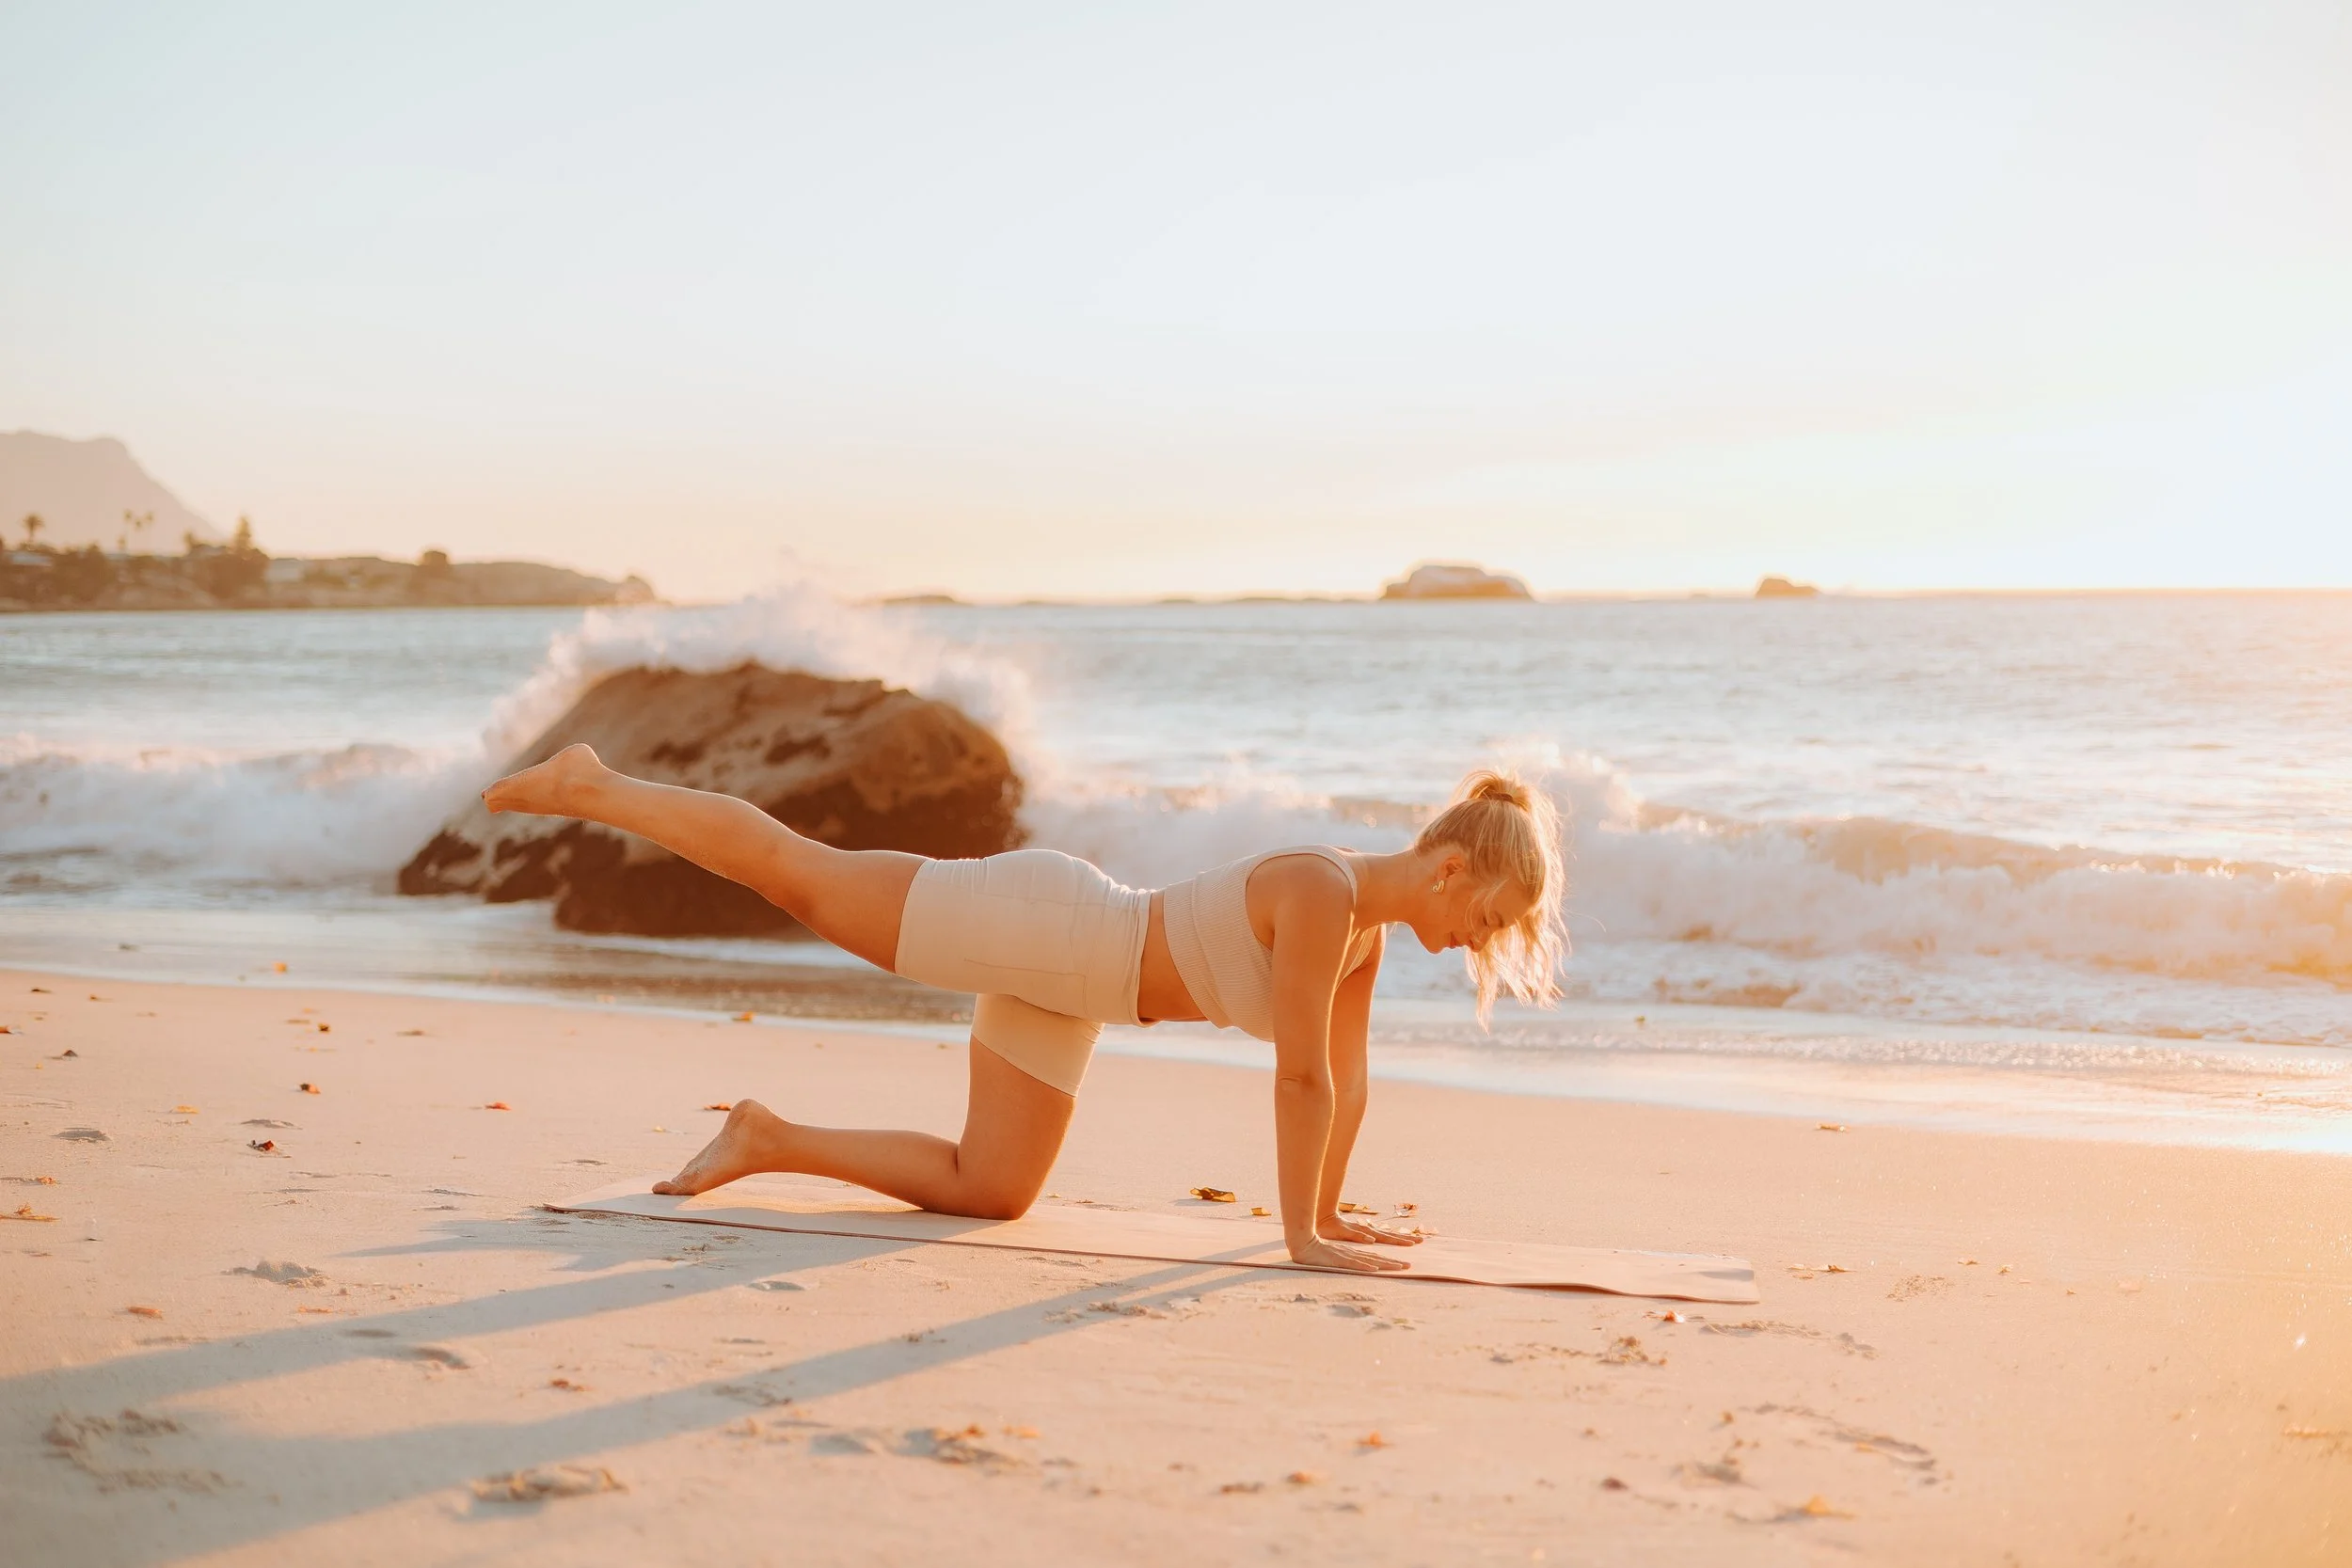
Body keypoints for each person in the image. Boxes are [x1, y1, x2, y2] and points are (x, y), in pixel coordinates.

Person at [482, 745, 1567, 1274]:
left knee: (990, 1188)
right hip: (1053, 927)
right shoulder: (1322, 889)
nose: (1486, 940)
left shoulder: (1365, 939)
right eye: (1494, 914)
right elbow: (1298, 1081)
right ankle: (595, 783)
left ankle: (767, 1136)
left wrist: (1330, 1216)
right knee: (799, 874)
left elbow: (1346, 1085)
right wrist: (1297, 1240)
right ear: (1452, 866)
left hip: (1077, 992)